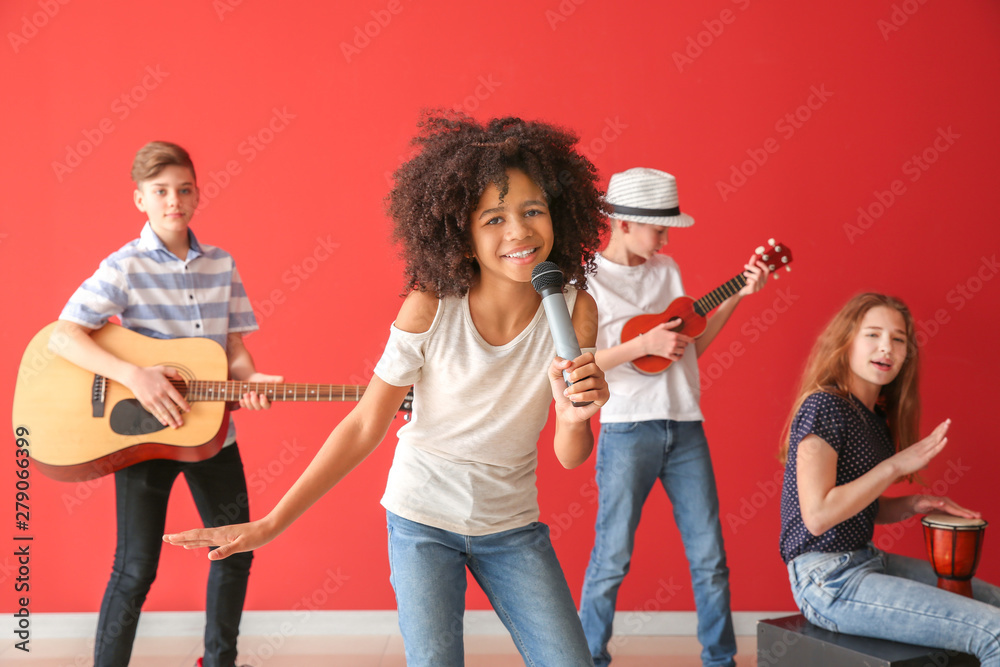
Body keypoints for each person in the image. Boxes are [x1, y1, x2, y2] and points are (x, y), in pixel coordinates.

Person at [164, 113, 610, 666]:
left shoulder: (572, 310)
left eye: (532, 211)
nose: (518, 231)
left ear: (557, 217)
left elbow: (572, 455)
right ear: (463, 235)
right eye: (493, 218)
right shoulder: (431, 308)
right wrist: (271, 523)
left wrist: (572, 418)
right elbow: (364, 423)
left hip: (512, 525)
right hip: (422, 518)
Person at [51, 141, 281, 667]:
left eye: (183, 189)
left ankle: (218, 661)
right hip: (147, 437)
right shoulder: (124, 267)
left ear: (197, 194)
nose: (173, 200)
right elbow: (63, 337)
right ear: (140, 199)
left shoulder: (220, 264)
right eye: (160, 191)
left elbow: (234, 348)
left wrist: (252, 379)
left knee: (235, 547)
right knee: (135, 568)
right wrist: (135, 375)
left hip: (214, 433)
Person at [578, 167, 771, 667]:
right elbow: (582, 363)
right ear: (622, 223)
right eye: (658, 228)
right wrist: (643, 343)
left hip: (685, 425)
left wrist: (737, 298)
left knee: (710, 558)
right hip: (626, 431)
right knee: (612, 557)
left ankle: (720, 660)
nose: (665, 238)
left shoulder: (667, 272)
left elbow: (688, 349)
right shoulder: (588, 283)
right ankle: (587, 658)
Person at [779, 292, 1000, 665]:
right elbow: (818, 516)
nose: (887, 348)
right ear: (846, 341)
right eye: (873, 335)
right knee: (994, 631)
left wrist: (914, 504)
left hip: (867, 561)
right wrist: (895, 466)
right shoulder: (824, 406)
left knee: (992, 601)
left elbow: (859, 506)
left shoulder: (873, 417)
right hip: (827, 580)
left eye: (898, 339)